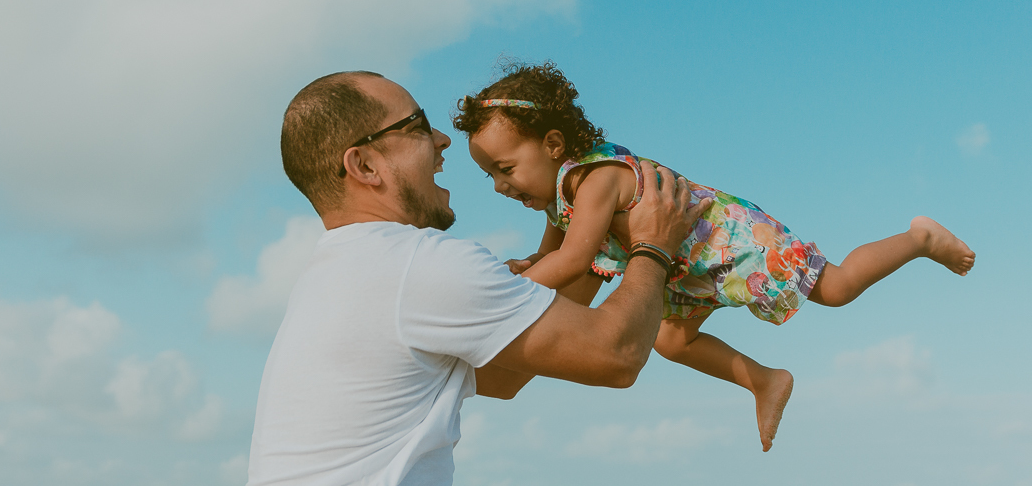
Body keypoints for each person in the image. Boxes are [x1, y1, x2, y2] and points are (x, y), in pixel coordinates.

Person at [452, 60, 977, 452]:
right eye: (490, 176)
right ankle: (765, 379)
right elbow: (551, 254)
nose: (500, 186)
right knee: (671, 340)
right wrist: (526, 265)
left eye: (505, 167)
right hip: (684, 265)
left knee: (834, 289)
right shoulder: (562, 198)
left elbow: (569, 263)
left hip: (730, 241)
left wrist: (507, 292)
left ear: (550, 143)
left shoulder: (593, 180)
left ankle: (919, 239)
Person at [246, 71, 711, 486]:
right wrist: (652, 245)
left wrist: (589, 244)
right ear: (365, 166)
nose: (443, 140)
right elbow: (618, 356)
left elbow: (502, 379)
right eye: (418, 127)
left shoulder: (334, 276)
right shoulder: (420, 264)